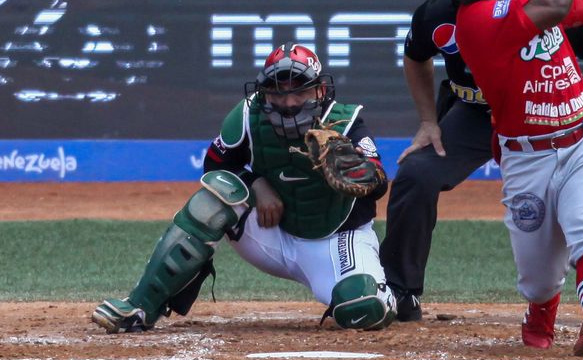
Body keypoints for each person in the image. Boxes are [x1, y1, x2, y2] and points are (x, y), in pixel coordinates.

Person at [380, 0, 583, 328]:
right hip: (476, 113)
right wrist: (428, 121)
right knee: (415, 174)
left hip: (543, 109)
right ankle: (399, 291)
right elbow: (414, 57)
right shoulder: (444, 17)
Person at [92, 43, 397, 333]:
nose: (289, 102)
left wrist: (360, 173)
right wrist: (256, 183)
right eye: (277, 92)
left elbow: (377, 183)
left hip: (336, 241)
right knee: (216, 196)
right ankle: (141, 306)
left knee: (363, 307)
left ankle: (389, 295)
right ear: (264, 92)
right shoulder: (248, 116)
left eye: (299, 91)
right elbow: (214, 166)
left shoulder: (345, 123)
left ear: (319, 90)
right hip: (272, 234)